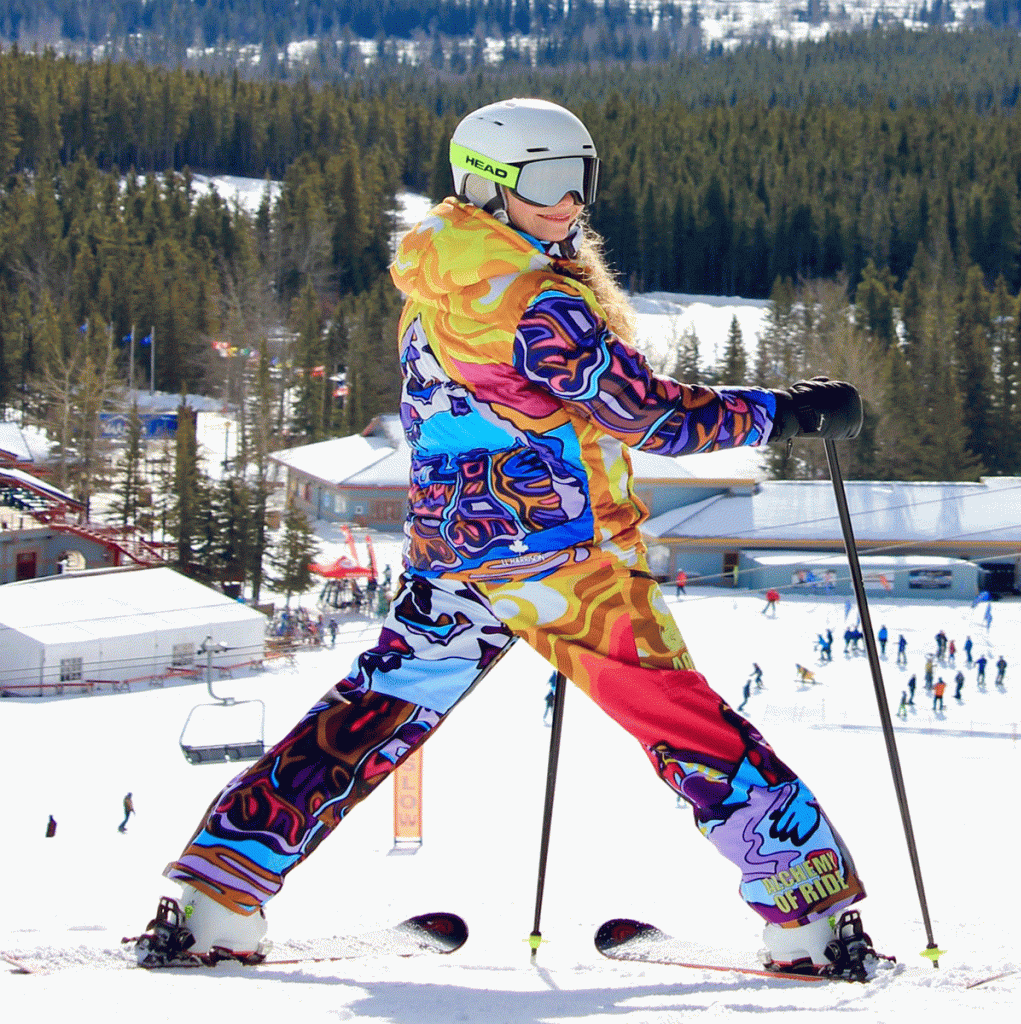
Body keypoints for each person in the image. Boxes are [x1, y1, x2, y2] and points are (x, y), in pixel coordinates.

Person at [134, 98, 881, 981]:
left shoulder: (438, 279)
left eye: (583, 181)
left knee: (375, 710)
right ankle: (809, 918)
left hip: (457, 551)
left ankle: (215, 896)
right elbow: (648, 417)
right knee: (678, 719)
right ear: (484, 187)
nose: (570, 203)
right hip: (564, 561)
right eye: (546, 183)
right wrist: (786, 411)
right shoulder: (536, 302)